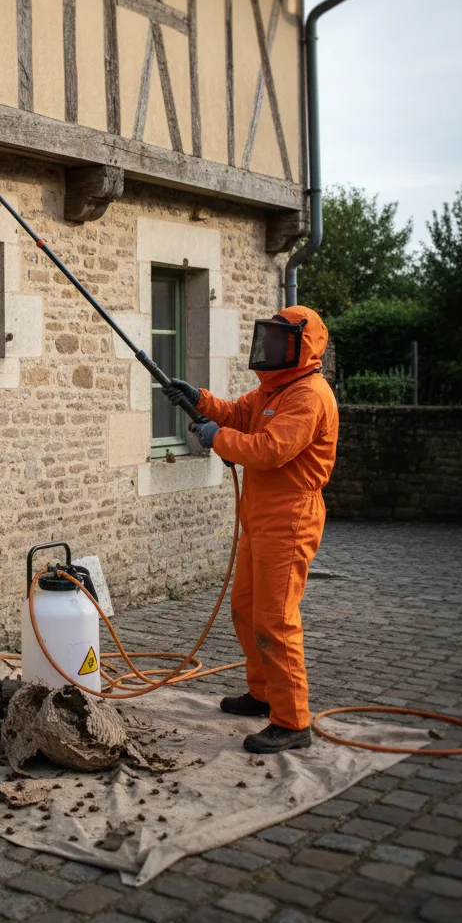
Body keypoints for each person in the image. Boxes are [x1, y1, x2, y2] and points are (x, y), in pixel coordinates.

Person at [164, 305, 338, 754]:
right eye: (271, 338)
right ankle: (263, 694)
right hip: (259, 514)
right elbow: (238, 415)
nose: (273, 346)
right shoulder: (272, 390)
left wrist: (215, 437)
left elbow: (270, 449)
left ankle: (293, 720)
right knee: (245, 607)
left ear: (304, 346)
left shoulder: (309, 396)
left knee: (275, 620)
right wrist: (199, 399)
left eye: (283, 340)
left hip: (291, 518)